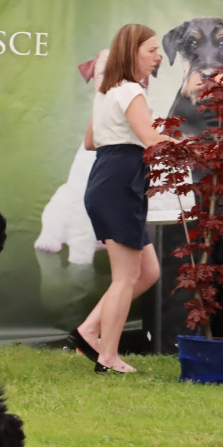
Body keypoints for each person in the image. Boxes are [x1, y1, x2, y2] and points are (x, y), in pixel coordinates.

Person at [68, 24, 171, 374]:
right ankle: (108, 357)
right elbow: (150, 137)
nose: (158, 57)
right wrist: (198, 147)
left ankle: (88, 330)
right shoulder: (130, 92)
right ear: (132, 54)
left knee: (148, 271)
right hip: (120, 183)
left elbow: (90, 142)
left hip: (110, 178)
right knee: (125, 277)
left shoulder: (109, 92)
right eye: (151, 51)